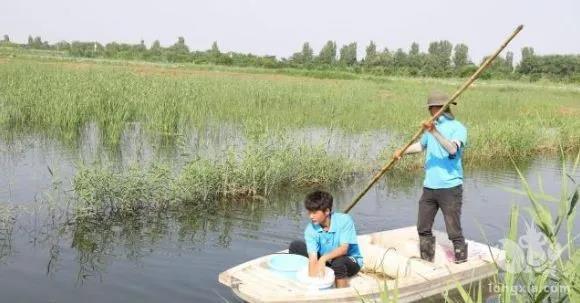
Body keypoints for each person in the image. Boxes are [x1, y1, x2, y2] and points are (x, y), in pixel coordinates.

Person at [394, 91, 468, 263]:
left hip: (450, 187)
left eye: (433, 108)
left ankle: (461, 263)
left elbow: (452, 149)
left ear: (442, 108)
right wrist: (402, 151)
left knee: (453, 231)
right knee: (423, 227)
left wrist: (434, 131)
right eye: (430, 108)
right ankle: (427, 262)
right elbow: (421, 146)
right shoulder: (431, 127)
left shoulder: (458, 128)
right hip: (430, 187)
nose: (431, 111)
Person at [288, 190, 363, 288]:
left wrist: (323, 259)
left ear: (327, 211)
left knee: (338, 263)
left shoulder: (344, 220)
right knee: (296, 246)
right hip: (328, 261)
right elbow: (313, 258)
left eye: (314, 212)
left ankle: (341, 295)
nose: (311, 216)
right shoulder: (310, 229)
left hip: (349, 260)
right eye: (309, 212)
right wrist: (312, 281)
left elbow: (344, 249)